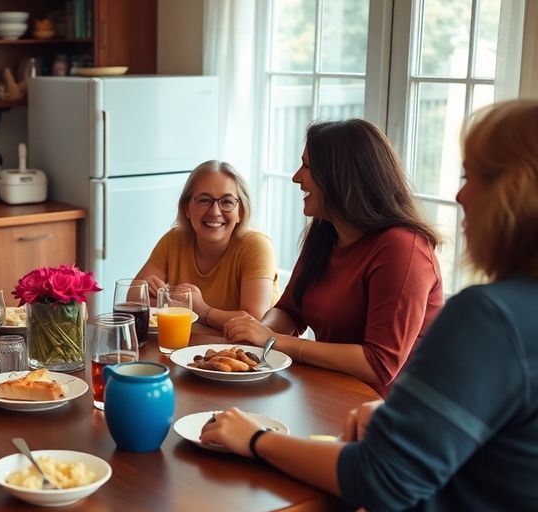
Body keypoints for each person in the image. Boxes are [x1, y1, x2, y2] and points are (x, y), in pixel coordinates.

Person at [203, 99, 538, 511]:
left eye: (474, 176)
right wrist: (256, 345)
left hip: (361, 408)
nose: (460, 194)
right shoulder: (325, 233)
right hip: (350, 406)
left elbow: (384, 458)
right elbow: (291, 310)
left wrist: (255, 439)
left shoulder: (431, 270)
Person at [223, 119, 443, 397]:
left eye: (308, 167)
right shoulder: (326, 231)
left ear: (341, 175)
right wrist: (253, 337)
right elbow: (291, 310)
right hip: (329, 391)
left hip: (388, 412)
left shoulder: (403, 248)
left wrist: (271, 341)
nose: (296, 177)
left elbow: (380, 365)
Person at [135, 160, 279, 328]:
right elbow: (133, 298)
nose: (215, 212)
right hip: (191, 348)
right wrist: (161, 296)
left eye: (226, 202)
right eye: (204, 200)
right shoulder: (174, 239)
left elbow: (254, 319)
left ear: (240, 211)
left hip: (249, 352)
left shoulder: (256, 245)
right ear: (187, 207)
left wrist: (202, 310)